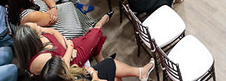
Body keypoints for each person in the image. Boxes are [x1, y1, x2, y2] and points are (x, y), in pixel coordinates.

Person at [14, 23, 154, 80]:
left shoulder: (37, 43)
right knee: (95, 38)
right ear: (32, 41)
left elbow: (53, 31)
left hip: (69, 56)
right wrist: (69, 48)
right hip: (69, 69)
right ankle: (100, 25)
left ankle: (140, 72)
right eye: (39, 32)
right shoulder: (39, 61)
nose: (42, 30)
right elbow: (63, 69)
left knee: (109, 65)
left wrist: (68, 45)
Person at [7, 0, 95, 38]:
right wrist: (52, 11)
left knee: (69, 5)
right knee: (76, 24)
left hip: (50, 13)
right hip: (55, 27)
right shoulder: (30, 15)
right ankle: (88, 31)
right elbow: (52, 20)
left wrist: (53, 8)